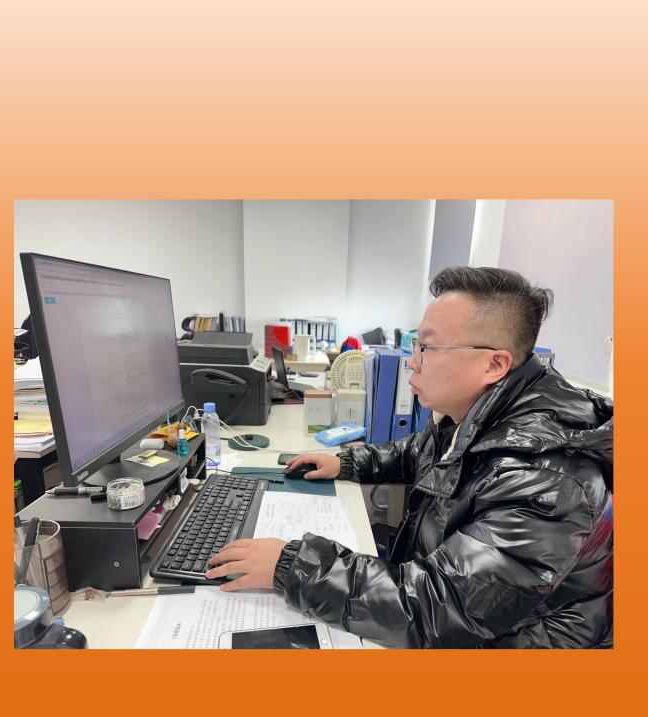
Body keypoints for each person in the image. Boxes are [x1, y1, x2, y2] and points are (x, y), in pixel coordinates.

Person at [207, 267, 613, 647]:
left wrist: (293, 567)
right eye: (416, 346)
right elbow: (419, 453)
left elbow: (439, 608)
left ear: (493, 364)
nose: (413, 363)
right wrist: (347, 463)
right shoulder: (482, 413)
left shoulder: (544, 475)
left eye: (428, 347)